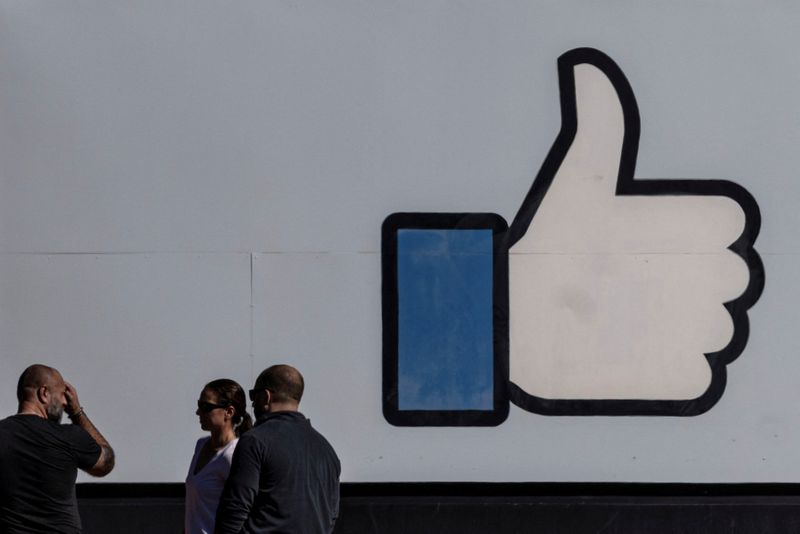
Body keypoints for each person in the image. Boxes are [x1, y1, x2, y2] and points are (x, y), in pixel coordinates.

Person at [215, 365, 341, 534]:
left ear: (266, 396)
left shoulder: (255, 440)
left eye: (254, 395)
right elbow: (331, 515)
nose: (252, 403)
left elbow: (235, 508)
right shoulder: (327, 450)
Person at [0, 364, 115, 533]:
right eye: (62, 394)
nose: (64, 402)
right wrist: (76, 412)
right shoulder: (69, 436)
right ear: (44, 393)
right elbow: (106, 461)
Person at [185, 379, 253, 534]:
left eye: (206, 407)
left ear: (229, 412)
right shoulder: (200, 445)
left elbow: (244, 510)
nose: (198, 412)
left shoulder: (233, 455)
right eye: (199, 404)